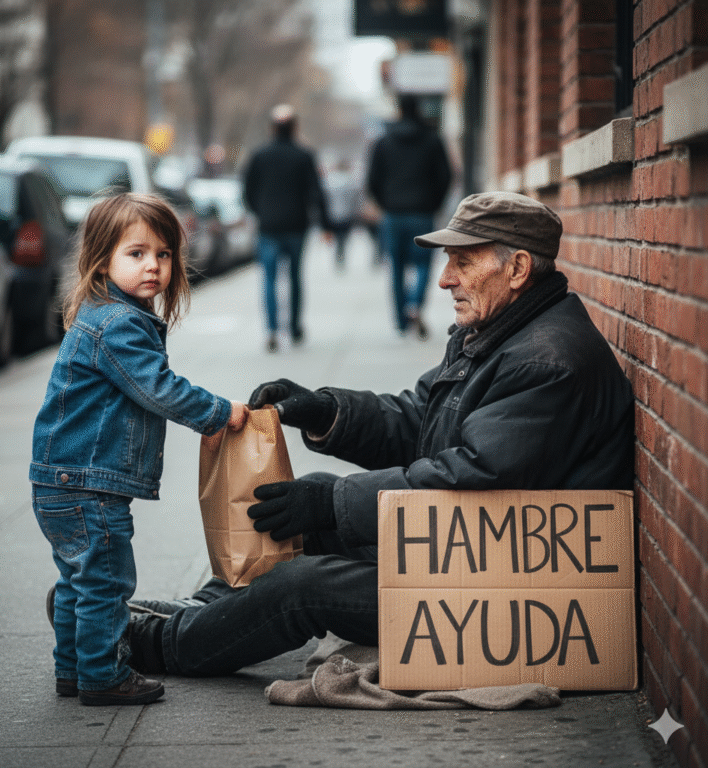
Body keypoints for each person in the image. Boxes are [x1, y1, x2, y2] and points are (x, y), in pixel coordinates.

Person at [77, 191, 635, 682]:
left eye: (462, 263)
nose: (444, 279)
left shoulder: (547, 362)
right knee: (299, 526)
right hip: (466, 550)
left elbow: (472, 481)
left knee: (304, 584)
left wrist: (332, 501)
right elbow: (420, 418)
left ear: (516, 268)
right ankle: (194, 615)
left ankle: (155, 643)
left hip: (508, 586)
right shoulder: (498, 332)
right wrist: (324, 410)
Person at [31, 193, 248, 706]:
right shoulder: (118, 324)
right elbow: (157, 386)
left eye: (164, 254)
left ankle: (74, 670)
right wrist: (217, 413)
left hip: (63, 478)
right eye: (136, 254)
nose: (153, 264)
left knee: (77, 581)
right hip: (87, 482)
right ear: (102, 259)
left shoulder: (107, 314)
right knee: (106, 582)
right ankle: (104, 676)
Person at [243, 104, 333, 352]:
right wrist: (326, 225)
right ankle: (293, 328)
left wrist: (260, 212)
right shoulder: (304, 156)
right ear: (294, 127)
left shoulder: (259, 156)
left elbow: (247, 191)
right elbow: (317, 192)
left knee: (269, 280)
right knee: (294, 278)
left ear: (273, 128)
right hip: (296, 226)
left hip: (268, 227)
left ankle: (271, 329)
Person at [367, 94, 453, 340]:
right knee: (424, 263)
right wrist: (433, 203)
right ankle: (415, 304)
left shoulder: (383, 142)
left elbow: (372, 180)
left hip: (393, 215)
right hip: (422, 213)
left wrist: (386, 204)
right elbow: (445, 176)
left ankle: (401, 320)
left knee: (395, 266)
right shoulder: (432, 140)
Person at [323, 158, 361, 269]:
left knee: (336, 237)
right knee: (343, 237)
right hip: (347, 214)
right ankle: (341, 253)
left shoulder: (329, 181)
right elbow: (355, 199)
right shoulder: (350, 181)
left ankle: (338, 254)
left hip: (332, 214)